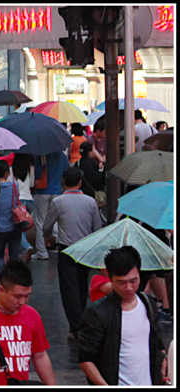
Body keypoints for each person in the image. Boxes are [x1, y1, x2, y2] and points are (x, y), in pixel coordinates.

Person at [77, 246, 168, 385]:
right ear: (110, 278)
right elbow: (85, 359)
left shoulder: (148, 304)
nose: (129, 288)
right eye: (121, 282)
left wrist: (162, 368)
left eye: (133, 281)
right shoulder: (98, 313)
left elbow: (157, 342)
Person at [42, 167, 102, 338]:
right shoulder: (90, 202)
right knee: (82, 285)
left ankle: (75, 325)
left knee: (69, 288)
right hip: (85, 248)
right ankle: (81, 319)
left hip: (67, 248)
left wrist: (49, 238)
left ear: (64, 182)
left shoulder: (58, 202)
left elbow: (47, 226)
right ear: (80, 182)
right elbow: (96, 228)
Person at [32, 149, 68, 260]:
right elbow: (65, 172)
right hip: (57, 190)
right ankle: (61, 243)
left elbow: (37, 174)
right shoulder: (62, 156)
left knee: (40, 222)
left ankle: (42, 251)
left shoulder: (42, 156)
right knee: (58, 219)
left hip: (42, 192)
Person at [0, 160, 21, 276]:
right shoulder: (14, 186)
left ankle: (3, 278)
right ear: (7, 173)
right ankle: (13, 279)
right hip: (14, 225)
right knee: (14, 256)